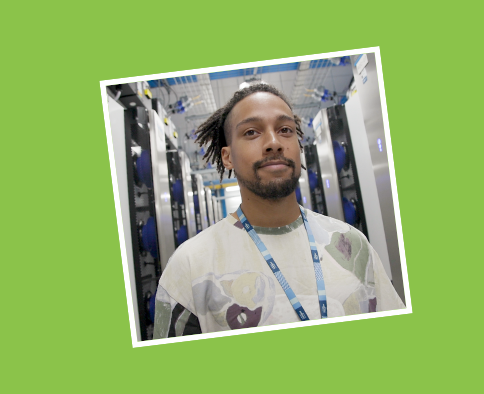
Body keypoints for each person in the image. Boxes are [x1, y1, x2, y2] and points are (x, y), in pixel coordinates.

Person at [152, 84, 404, 338]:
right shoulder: (191, 265)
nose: (274, 143)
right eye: (251, 132)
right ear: (227, 157)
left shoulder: (349, 244)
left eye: (285, 130)